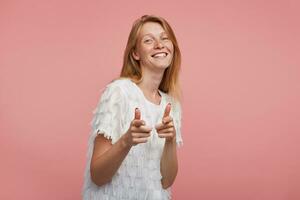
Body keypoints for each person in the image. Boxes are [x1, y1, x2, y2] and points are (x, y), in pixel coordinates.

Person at [82, 15, 183, 200]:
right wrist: (126, 141)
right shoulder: (118, 92)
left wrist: (171, 140)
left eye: (164, 38)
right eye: (148, 40)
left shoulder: (171, 104)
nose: (159, 45)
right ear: (136, 53)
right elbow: (97, 176)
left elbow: (167, 181)